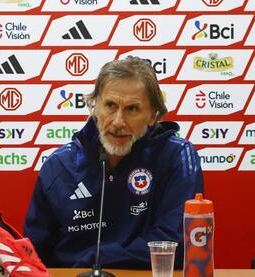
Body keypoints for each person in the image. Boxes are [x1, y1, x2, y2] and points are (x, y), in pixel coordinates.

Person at [24, 56, 203, 269]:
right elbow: (34, 256)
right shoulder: (59, 166)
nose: (118, 122)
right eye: (110, 105)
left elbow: (175, 242)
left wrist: (98, 260)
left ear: (153, 116)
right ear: (94, 107)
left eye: (132, 109)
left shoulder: (177, 156)